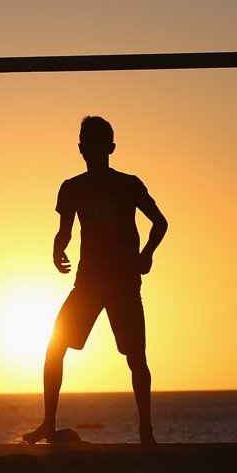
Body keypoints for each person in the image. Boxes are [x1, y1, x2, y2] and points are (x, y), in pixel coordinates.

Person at [24, 116, 168, 446]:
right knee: (54, 348)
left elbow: (160, 222)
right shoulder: (72, 188)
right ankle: (49, 423)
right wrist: (57, 249)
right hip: (87, 284)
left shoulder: (129, 184)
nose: (92, 150)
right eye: (87, 144)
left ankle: (146, 432)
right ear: (80, 149)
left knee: (136, 358)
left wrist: (147, 254)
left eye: (98, 144)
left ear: (111, 148)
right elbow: (65, 231)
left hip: (123, 285)